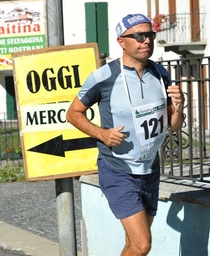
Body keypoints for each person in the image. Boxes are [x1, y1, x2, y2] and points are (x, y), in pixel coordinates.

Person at [66, 13, 185, 255]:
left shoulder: (160, 74)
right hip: (117, 170)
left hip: (150, 169)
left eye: (150, 35)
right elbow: (73, 113)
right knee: (143, 244)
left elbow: (174, 125)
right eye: (139, 36)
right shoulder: (105, 76)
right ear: (121, 41)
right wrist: (102, 134)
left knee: (134, 245)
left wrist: (180, 108)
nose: (147, 41)